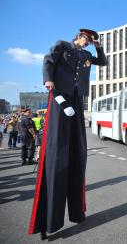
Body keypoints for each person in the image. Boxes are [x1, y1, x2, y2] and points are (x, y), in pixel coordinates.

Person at [29, 28, 107, 240]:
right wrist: (48, 80)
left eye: (90, 42)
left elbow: (103, 62)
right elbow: (48, 60)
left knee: (78, 150)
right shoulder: (62, 45)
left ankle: (76, 212)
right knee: (58, 149)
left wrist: (99, 47)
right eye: (86, 39)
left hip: (77, 98)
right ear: (78, 37)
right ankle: (49, 220)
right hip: (60, 96)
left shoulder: (89, 55)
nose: (87, 43)